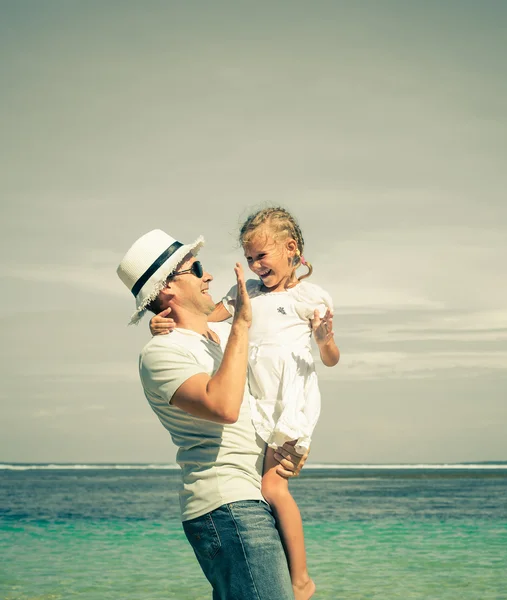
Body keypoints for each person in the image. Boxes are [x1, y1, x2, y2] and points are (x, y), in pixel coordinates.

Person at [151, 207, 340, 600]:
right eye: (250, 258)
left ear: (291, 249)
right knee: (271, 490)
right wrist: (161, 319)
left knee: (274, 488)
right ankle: (299, 577)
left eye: (261, 256)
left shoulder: (305, 299)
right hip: (242, 457)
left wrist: (323, 339)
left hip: (283, 410)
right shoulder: (236, 302)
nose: (255, 266)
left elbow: (330, 356)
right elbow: (208, 325)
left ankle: (301, 576)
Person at [116, 228, 308, 600]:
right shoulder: (160, 353)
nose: (208, 276)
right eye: (196, 268)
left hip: (253, 499)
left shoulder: (220, 335)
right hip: (227, 504)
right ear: (167, 288)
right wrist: (240, 326)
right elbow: (223, 406)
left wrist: (291, 446)